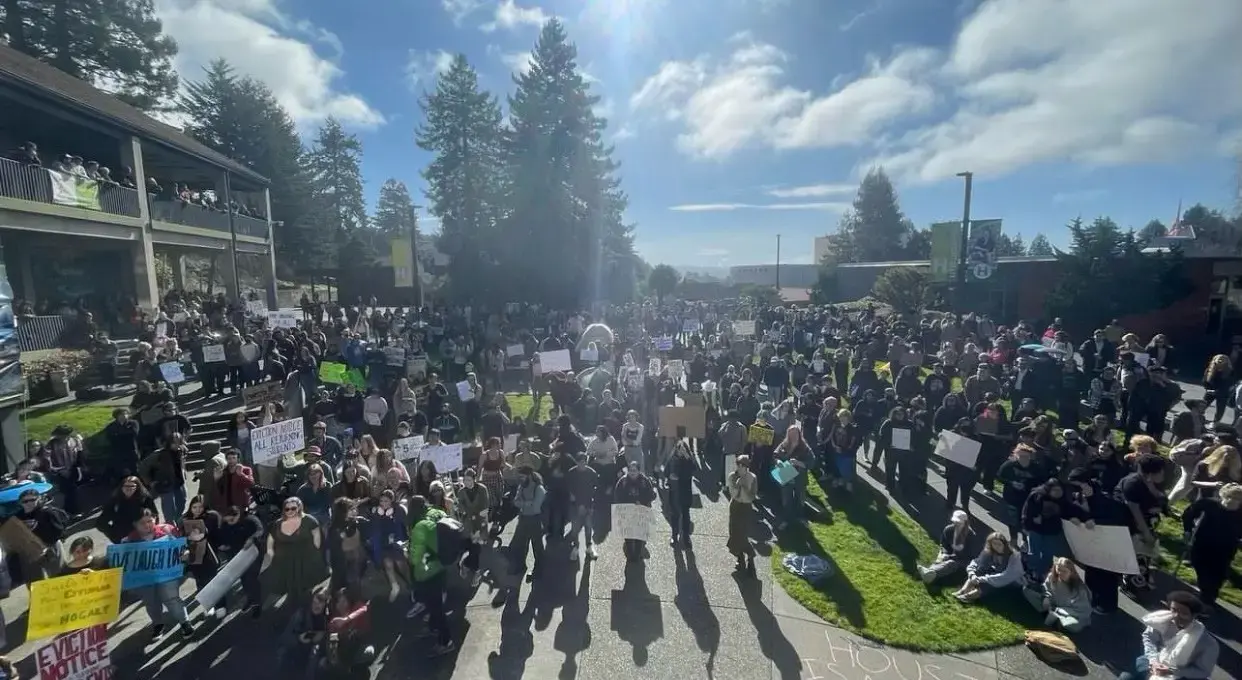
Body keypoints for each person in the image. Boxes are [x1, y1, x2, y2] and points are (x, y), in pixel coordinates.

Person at [125, 510, 195, 639]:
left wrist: (184, 553)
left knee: (172, 598)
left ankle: (185, 622)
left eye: (149, 521)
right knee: (151, 602)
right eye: (142, 523)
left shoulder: (167, 531)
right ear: (135, 524)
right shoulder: (129, 541)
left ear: (154, 519)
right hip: (145, 578)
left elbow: (181, 547)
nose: (147, 525)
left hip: (167, 574)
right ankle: (158, 624)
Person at [1118, 591, 1219, 680]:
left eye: (1183, 613)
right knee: (1126, 677)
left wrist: (1172, 671)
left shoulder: (1208, 643)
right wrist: (1153, 661)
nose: (1176, 616)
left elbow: (1203, 671)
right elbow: (1149, 637)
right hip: (1154, 661)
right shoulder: (1162, 621)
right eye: (1174, 610)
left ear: (1194, 616)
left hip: (1183, 674)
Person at [407, 495, 455, 657]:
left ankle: (445, 642)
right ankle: (433, 627)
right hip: (442, 565)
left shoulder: (420, 526)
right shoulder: (437, 512)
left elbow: (415, 557)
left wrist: (407, 550)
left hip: (428, 571)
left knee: (436, 607)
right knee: (434, 603)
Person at [1181, 482, 1242, 607]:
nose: (1232, 501)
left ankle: (1208, 598)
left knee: (1218, 574)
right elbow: (1188, 514)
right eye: (1229, 497)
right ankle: (1206, 594)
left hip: (1226, 548)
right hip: (1203, 543)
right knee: (1201, 566)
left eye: (1237, 499)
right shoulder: (1209, 504)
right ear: (1223, 495)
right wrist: (1188, 530)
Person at [263, 497, 327, 606]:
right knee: (291, 582)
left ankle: (307, 602)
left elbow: (317, 538)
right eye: (287, 509)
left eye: (293, 508)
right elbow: (271, 538)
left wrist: (314, 553)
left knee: (306, 585)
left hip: (305, 557)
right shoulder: (278, 523)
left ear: (299, 508)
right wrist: (270, 552)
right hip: (286, 558)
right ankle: (293, 599)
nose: (290, 511)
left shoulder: (309, 520)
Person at [213, 504, 265, 618]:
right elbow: (223, 537)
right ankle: (251, 599)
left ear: (237, 515)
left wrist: (252, 539)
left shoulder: (250, 519)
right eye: (227, 520)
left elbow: (260, 530)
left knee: (251, 578)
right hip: (237, 555)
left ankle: (257, 604)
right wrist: (223, 545)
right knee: (244, 579)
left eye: (232, 519)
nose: (230, 523)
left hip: (253, 553)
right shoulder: (225, 524)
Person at [1024, 557, 1092, 632]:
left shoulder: (1079, 588)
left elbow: (1083, 609)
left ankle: (1056, 619)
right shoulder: (1051, 577)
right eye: (1058, 569)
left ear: (1071, 572)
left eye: (1064, 571)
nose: (1060, 573)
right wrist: (1046, 597)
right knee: (1027, 591)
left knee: (1074, 625)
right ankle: (1050, 614)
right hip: (1052, 605)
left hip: (1068, 612)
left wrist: (1059, 610)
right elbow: (1046, 588)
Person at [953, 532, 1024, 602]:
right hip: (996, 573)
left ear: (1004, 544)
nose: (997, 546)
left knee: (990, 582)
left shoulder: (1014, 556)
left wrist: (982, 579)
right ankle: (963, 590)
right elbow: (977, 562)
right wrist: (972, 574)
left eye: (999, 544)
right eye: (994, 544)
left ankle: (969, 596)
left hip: (1012, 581)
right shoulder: (988, 551)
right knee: (978, 570)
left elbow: (1007, 575)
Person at [509, 467, 547, 581]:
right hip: (523, 519)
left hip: (535, 520)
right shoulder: (521, 487)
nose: (520, 479)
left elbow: (536, 507)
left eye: (522, 476)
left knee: (537, 547)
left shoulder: (539, 489)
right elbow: (516, 502)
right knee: (520, 546)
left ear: (529, 476)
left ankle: (539, 570)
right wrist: (527, 503)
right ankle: (520, 566)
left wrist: (523, 503)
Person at [918, 510, 975, 584]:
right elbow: (943, 544)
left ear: (965, 523)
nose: (956, 524)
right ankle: (930, 573)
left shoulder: (971, 535)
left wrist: (950, 557)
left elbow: (968, 555)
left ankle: (931, 572)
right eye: (955, 522)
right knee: (940, 559)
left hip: (963, 560)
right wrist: (944, 553)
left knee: (950, 563)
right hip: (949, 553)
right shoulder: (948, 529)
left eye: (959, 523)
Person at [614, 460, 656, 562]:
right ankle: (630, 554)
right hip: (627, 512)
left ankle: (637, 554)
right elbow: (617, 496)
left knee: (639, 535)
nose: (632, 472)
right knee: (628, 535)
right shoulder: (623, 481)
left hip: (640, 511)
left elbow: (652, 495)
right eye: (630, 470)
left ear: (638, 471)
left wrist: (641, 501)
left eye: (635, 470)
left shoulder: (644, 481)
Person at [97, 476, 157, 544]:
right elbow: (101, 523)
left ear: (137, 487)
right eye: (126, 486)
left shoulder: (145, 499)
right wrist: (114, 535)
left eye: (132, 486)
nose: (128, 489)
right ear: (121, 487)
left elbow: (154, 516)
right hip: (123, 539)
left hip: (143, 538)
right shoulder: (115, 501)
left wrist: (150, 533)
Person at [726, 454, 758, 576]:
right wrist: (737, 485)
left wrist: (743, 487)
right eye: (738, 465)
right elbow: (733, 494)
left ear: (746, 467)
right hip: (735, 506)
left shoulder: (752, 478)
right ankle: (740, 558)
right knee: (734, 533)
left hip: (745, 507)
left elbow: (751, 496)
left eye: (742, 466)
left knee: (742, 534)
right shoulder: (732, 476)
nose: (739, 468)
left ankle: (750, 556)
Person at [565, 454, 598, 562]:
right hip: (575, 505)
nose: (582, 464)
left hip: (588, 504)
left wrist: (589, 505)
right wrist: (577, 503)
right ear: (577, 462)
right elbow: (569, 490)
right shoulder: (571, 473)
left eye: (584, 462)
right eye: (580, 462)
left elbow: (594, 489)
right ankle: (575, 547)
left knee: (588, 527)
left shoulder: (591, 473)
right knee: (575, 527)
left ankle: (589, 547)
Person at [666, 439, 698, 548]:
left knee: (685, 515)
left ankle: (686, 537)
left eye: (683, 449)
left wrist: (687, 456)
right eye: (679, 448)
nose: (681, 451)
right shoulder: (672, 459)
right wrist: (670, 476)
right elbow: (666, 471)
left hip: (685, 491)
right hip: (675, 492)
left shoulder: (688, 460)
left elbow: (694, 468)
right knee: (675, 514)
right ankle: (674, 536)